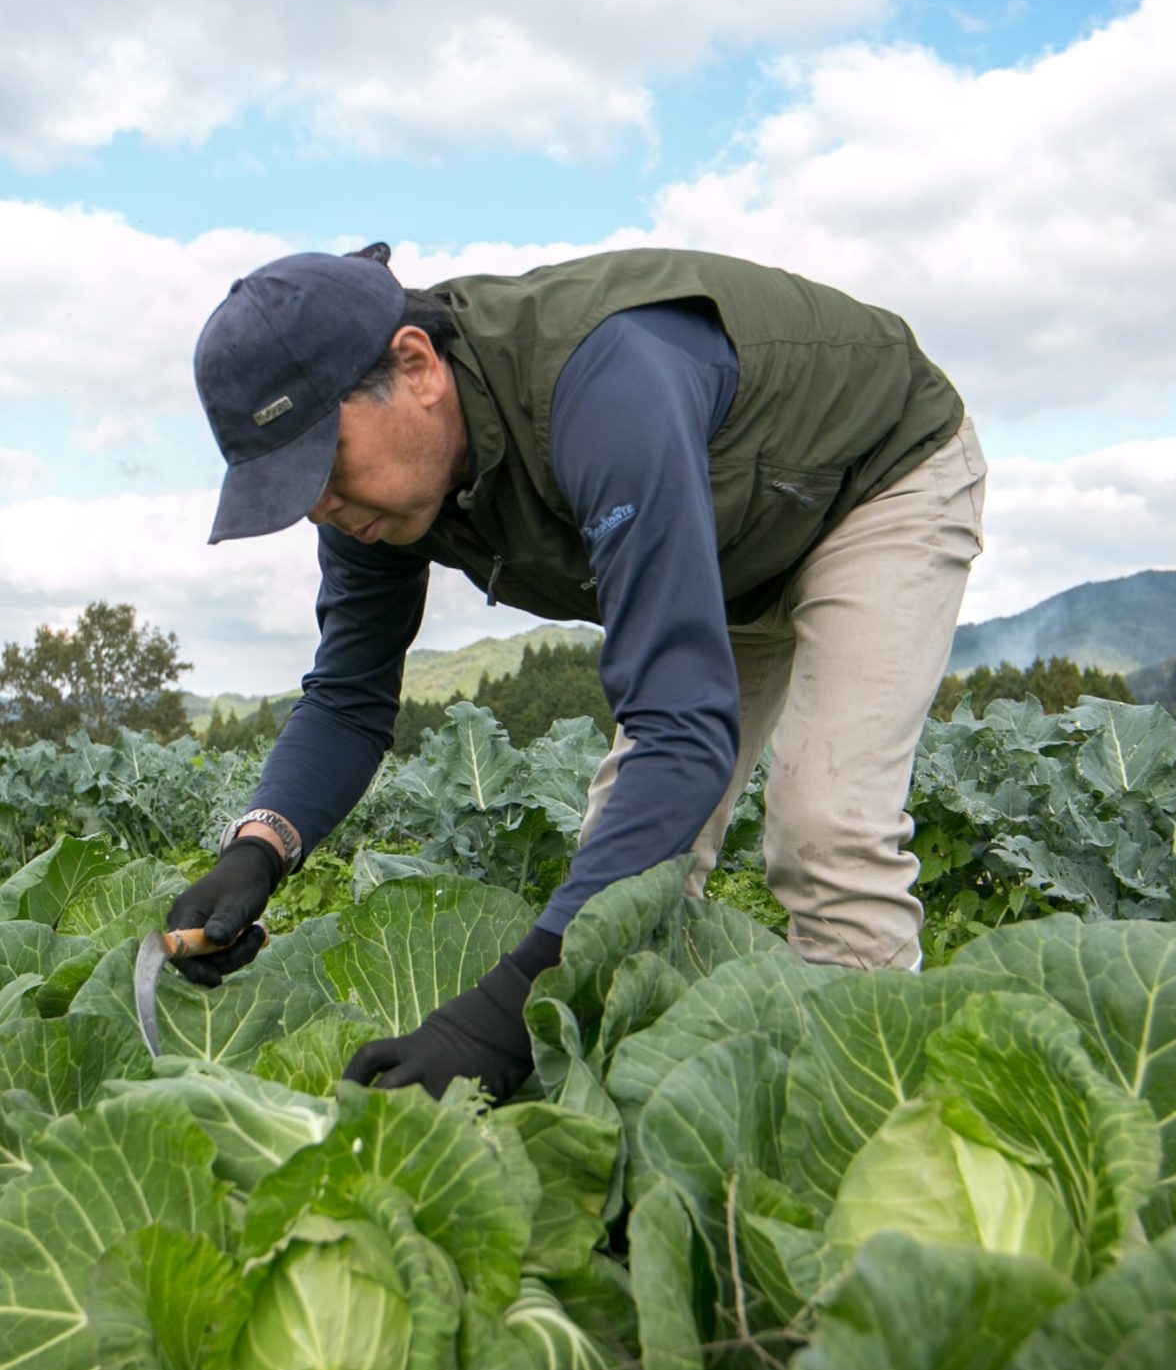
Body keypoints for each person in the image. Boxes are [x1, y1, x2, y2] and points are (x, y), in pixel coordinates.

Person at [169, 245, 985, 1102]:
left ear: (415, 366)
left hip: (873, 481)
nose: (318, 506)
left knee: (829, 830)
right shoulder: (373, 502)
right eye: (294, 488)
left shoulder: (602, 388)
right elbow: (348, 696)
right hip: (725, 539)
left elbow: (682, 734)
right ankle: (656, 1107)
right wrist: (259, 847)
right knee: (620, 846)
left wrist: (503, 1012)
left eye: (322, 465)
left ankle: (878, 1122)